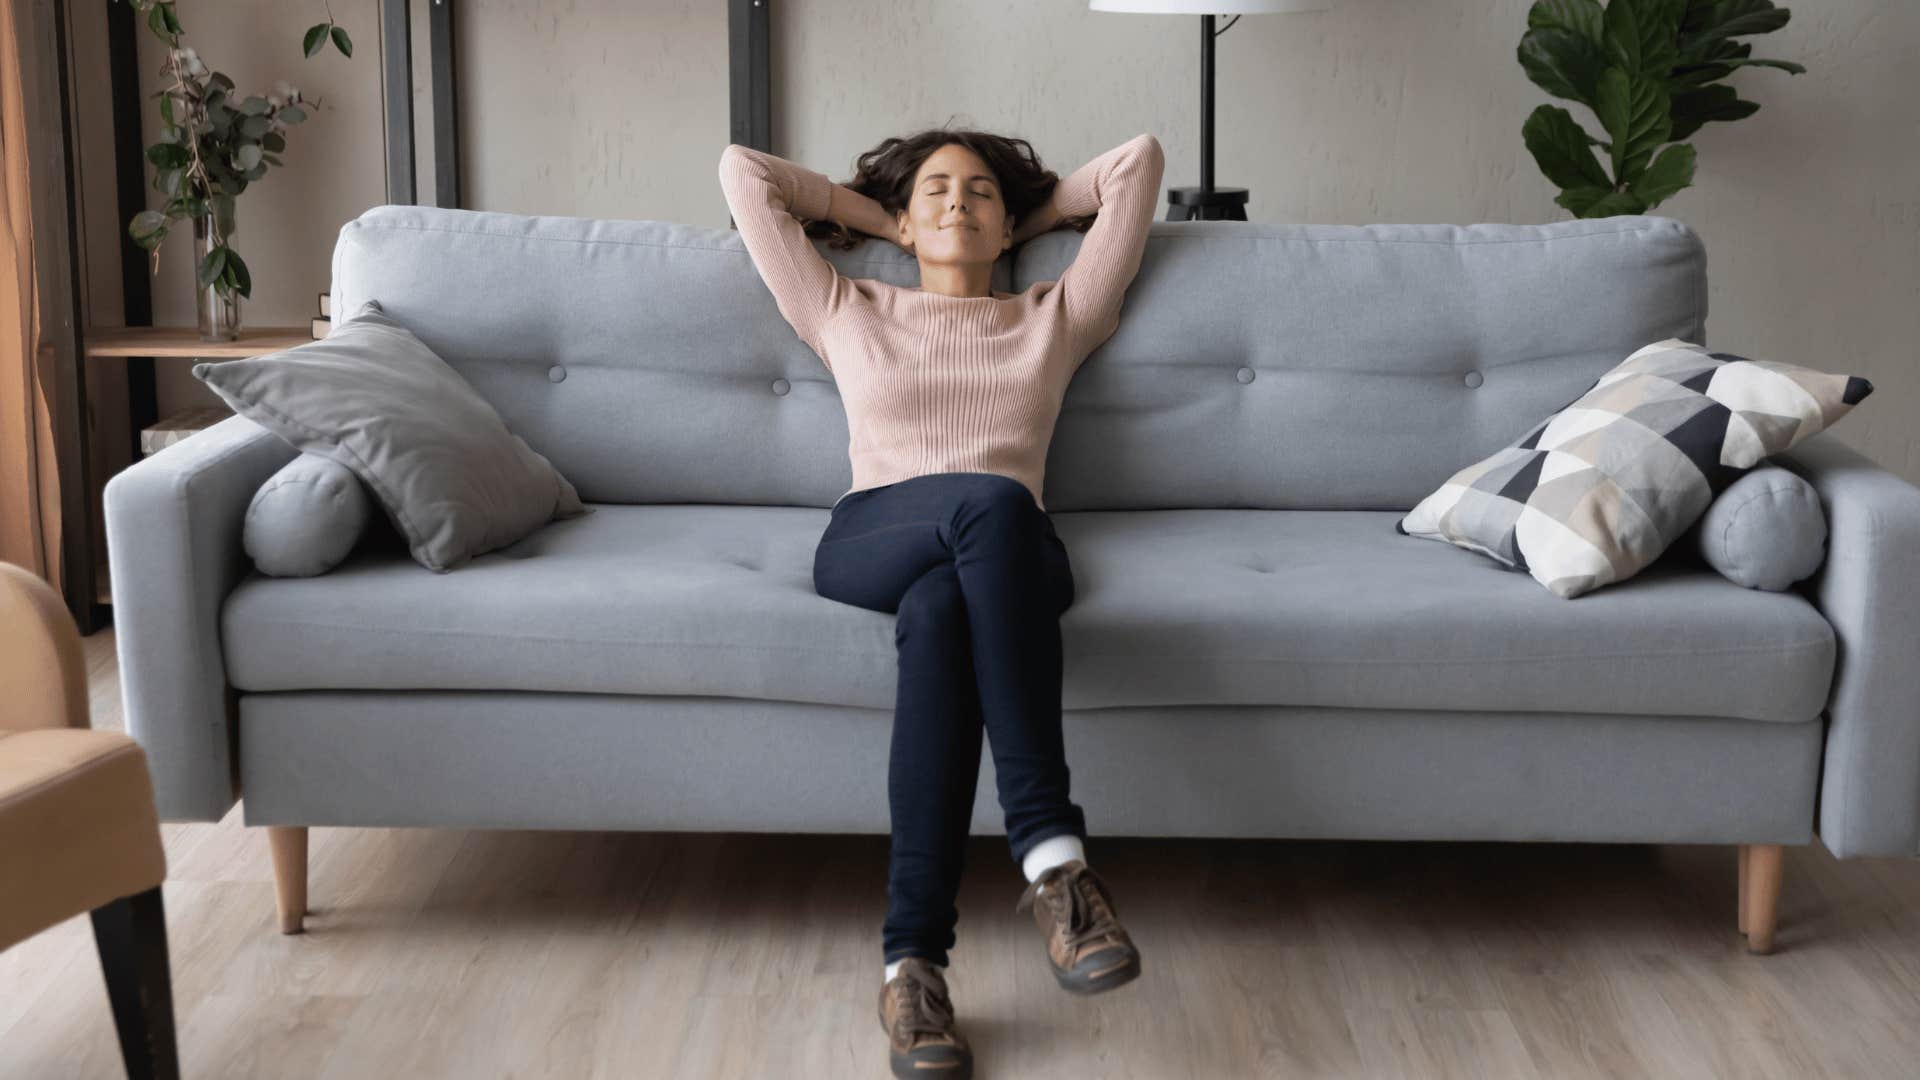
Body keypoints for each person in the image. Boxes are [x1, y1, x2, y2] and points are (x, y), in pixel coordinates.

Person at [718, 124, 1164, 1080]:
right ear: (903, 224)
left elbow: (1138, 164)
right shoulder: (847, 305)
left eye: (980, 194)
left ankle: (911, 966)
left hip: (1008, 558)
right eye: (935, 192)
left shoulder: (1058, 314)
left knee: (945, 610)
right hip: (876, 533)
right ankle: (1053, 858)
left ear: (1010, 230)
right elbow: (743, 174)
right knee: (989, 500)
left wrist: (1031, 213)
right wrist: (872, 217)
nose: (958, 202)